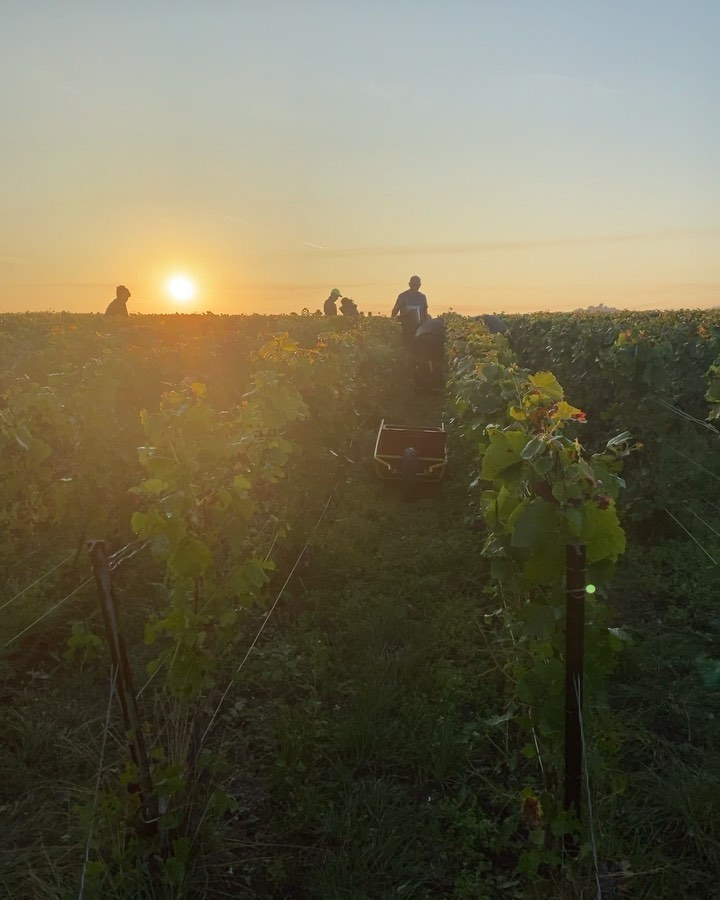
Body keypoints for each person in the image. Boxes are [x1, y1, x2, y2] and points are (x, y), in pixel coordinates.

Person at [391, 275, 428, 345]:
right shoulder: (402, 296)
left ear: (420, 285)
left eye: (416, 285)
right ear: (409, 284)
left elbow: (425, 314)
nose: (414, 287)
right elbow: (394, 313)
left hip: (418, 330)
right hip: (405, 329)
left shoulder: (422, 297)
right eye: (413, 285)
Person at [412, 314, 446, 388]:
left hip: (419, 339)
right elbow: (444, 336)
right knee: (437, 362)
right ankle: (436, 384)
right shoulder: (441, 323)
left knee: (422, 362)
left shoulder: (426, 323)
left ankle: (420, 384)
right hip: (434, 338)